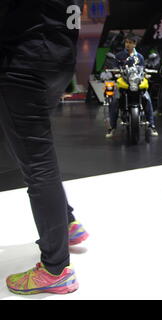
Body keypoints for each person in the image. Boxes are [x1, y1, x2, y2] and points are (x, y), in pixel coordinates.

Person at [0, 0, 88, 295]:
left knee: (37, 164)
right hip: (56, 61)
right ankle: (68, 222)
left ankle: (56, 269)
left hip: (24, 62)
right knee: (33, 153)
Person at [106, 34, 158, 138]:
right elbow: (115, 67)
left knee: (147, 99)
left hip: (137, 82)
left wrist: (145, 73)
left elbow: (142, 69)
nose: (127, 44)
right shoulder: (119, 55)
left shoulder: (140, 57)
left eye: (130, 42)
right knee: (114, 101)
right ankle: (112, 127)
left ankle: (151, 125)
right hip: (124, 82)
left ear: (135, 44)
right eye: (126, 42)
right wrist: (115, 72)